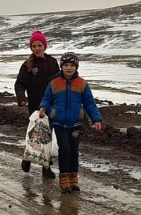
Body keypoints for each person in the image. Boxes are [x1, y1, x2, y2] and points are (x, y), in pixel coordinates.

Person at [39, 52, 103, 193]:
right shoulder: (54, 83)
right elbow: (47, 99)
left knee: (74, 151)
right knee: (65, 150)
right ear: (61, 66)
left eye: (72, 65)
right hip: (59, 123)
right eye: (66, 65)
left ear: (76, 67)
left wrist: (96, 119)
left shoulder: (82, 83)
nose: (69, 68)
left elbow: (89, 103)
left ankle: (73, 178)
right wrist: (43, 108)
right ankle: (64, 179)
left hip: (75, 124)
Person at [15, 30, 60, 178]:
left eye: (39, 45)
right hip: (35, 106)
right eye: (34, 45)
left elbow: (58, 82)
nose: (37, 48)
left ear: (44, 46)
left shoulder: (52, 62)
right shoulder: (27, 65)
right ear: (31, 47)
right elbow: (20, 84)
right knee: (35, 135)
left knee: (48, 137)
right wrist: (21, 98)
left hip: (51, 106)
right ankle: (27, 158)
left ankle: (46, 167)